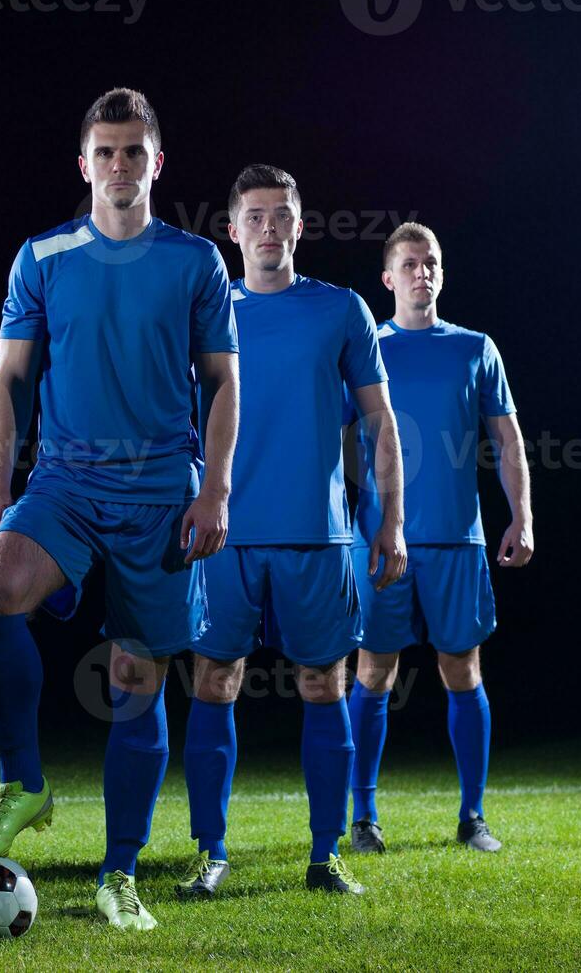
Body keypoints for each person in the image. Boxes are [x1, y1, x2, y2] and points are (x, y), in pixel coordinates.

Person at [0, 88, 240, 930]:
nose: (119, 166)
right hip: (66, 484)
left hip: (160, 491)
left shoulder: (196, 262)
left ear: (157, 163)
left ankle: (119, 873)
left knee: (133, 680)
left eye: (133, 152)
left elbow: (224, 384)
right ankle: (25, 782)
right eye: (105, 152)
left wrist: (214, 488)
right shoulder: (41, 256)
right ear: (83, 165)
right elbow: (8, 381)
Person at [175, 165, 405, 898]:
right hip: (223, 533)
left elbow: (378, 419)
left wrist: (391, 520)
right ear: (232, 229)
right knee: (214, 681)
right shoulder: (205, 313)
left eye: (281, 214)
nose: (268, 226)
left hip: (317, 533)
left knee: (321, 682)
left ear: (299, 227)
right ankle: (210, 853)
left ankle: (324, 853)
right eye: (254, 215)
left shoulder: (340, 309)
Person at [348, 222, 534, 855]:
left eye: (430, 262)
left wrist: (522, 516)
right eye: (409, 263)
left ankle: (473, 816)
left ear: (441, 273)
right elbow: (337, 439)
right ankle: (364, 818)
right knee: (373, 670)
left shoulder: (475, 348)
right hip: (379, 542)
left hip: (459, 540)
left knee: (462, 669)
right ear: (388, 277)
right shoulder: (365, 346)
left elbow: (508, 440)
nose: (421, 272)